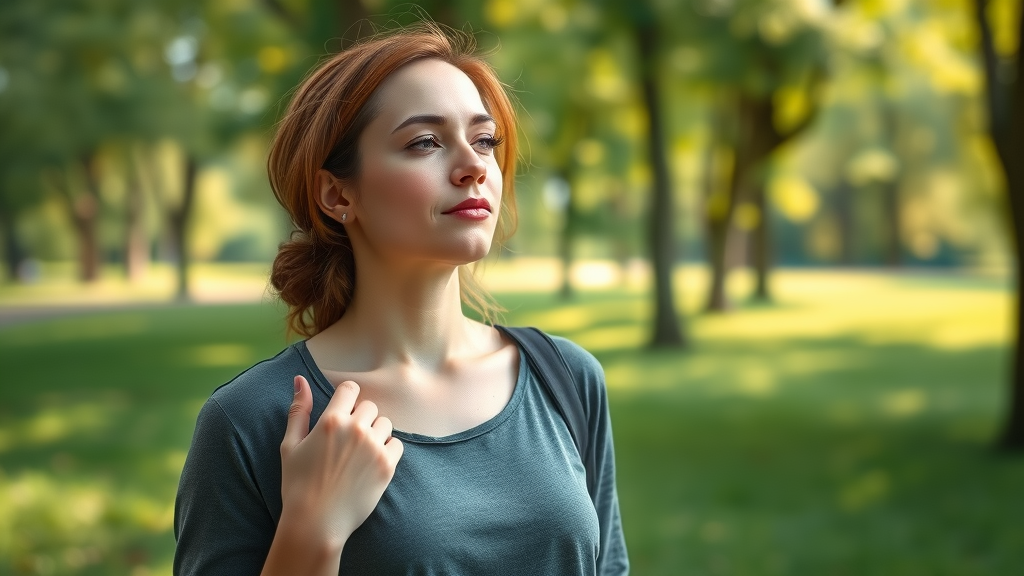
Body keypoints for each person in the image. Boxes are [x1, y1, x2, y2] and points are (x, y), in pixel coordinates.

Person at [173, 22, 629, 576]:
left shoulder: (567, 379)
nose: (474, 166)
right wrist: (311, 532)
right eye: (425, 143)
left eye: (484, 139)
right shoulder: (251, 422)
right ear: (338, 193)